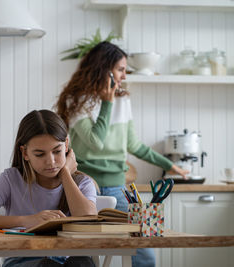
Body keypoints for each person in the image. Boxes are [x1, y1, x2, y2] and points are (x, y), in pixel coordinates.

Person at [55, 41, 189, 267]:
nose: (124, 76)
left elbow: (133, 145)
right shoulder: (78, 100)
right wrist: (107, 104)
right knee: (81, 253)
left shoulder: (123, 100)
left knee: (143, 247)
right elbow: (96, 142)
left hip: (118, 188)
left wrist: (169, 165)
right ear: (103, 69)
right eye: (120, 69)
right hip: (85, 188)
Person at [0, 109, 98, 267]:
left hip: (67, 259)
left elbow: (88, 220)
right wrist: (27, 220)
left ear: (67, 145)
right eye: (40, 154)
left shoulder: (82, 182)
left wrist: (65, 174)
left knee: (82, 262)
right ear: (25, 152)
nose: (51, 162)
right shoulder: (11, 179)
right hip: (22, 260)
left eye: (57, 151)